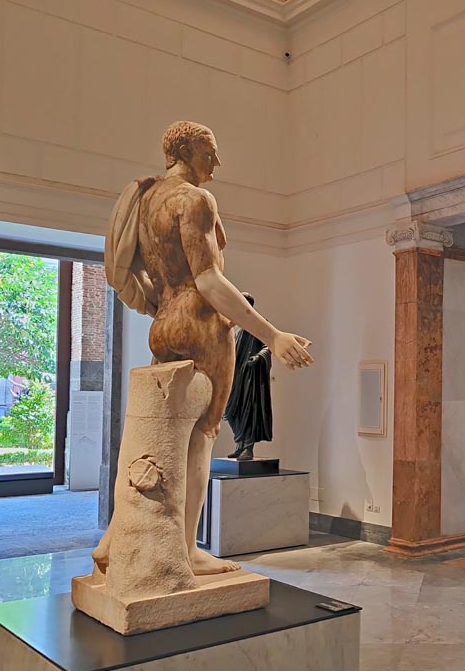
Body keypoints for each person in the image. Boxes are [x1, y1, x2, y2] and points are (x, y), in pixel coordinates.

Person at [98, 121, 313, 577]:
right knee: (200, 440)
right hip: (201, 328)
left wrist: (159, 306)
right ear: (187, 149)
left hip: (165, 324)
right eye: (210, 151)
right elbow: (209, 279)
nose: (217, 162)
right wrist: (272, 335)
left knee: (155, 437)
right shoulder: (195, 199)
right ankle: (186, 548)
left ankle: (116, 535)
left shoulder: (146, 199)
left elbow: (123, 275)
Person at [224, 293, 273, 461]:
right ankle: (239, 444)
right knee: (231, 412)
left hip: (250, 376)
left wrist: (258, 357)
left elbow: (268, 346)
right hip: (235, 374)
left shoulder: (260, 324)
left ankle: (248, 448)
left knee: (248, 411)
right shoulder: (234, 326)